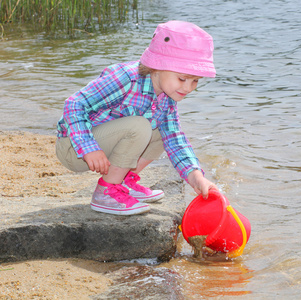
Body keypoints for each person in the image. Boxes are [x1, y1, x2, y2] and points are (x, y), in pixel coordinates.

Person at [56, 20, 218, 216]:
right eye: (182, 79)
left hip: (105, 146)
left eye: (195, 81)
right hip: (75, 148)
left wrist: (195, 177)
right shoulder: (126, 78)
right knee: (140, 126)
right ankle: (106, 192)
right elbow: (74, 104)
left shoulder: (167, 98)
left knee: (162, 132)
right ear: (157, 67)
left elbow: (175, 140)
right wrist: (89, 147)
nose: (187, 88)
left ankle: (123, 182)